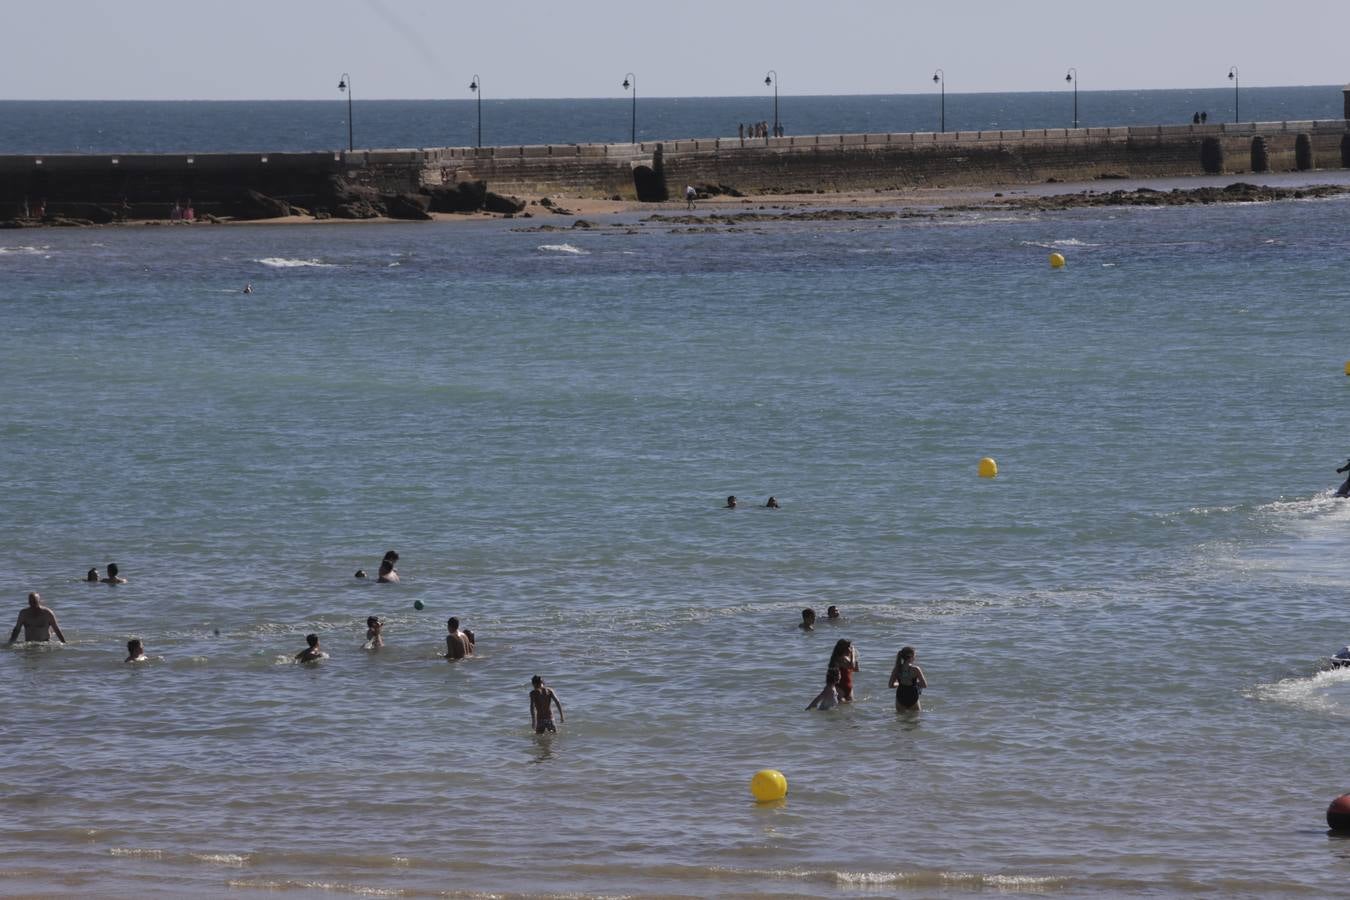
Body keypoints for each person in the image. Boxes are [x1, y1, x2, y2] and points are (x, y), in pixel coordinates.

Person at [889, 646, 928, 711]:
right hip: (912, 696)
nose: (915, 657)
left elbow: (890, 685)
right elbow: (924, 685)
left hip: (901, 696)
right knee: (915, 719)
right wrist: (916, 683)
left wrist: (899, 684)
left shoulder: (897, 669)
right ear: (911, 656)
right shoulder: (915, 669)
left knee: (900, 719)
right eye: (915, 655)